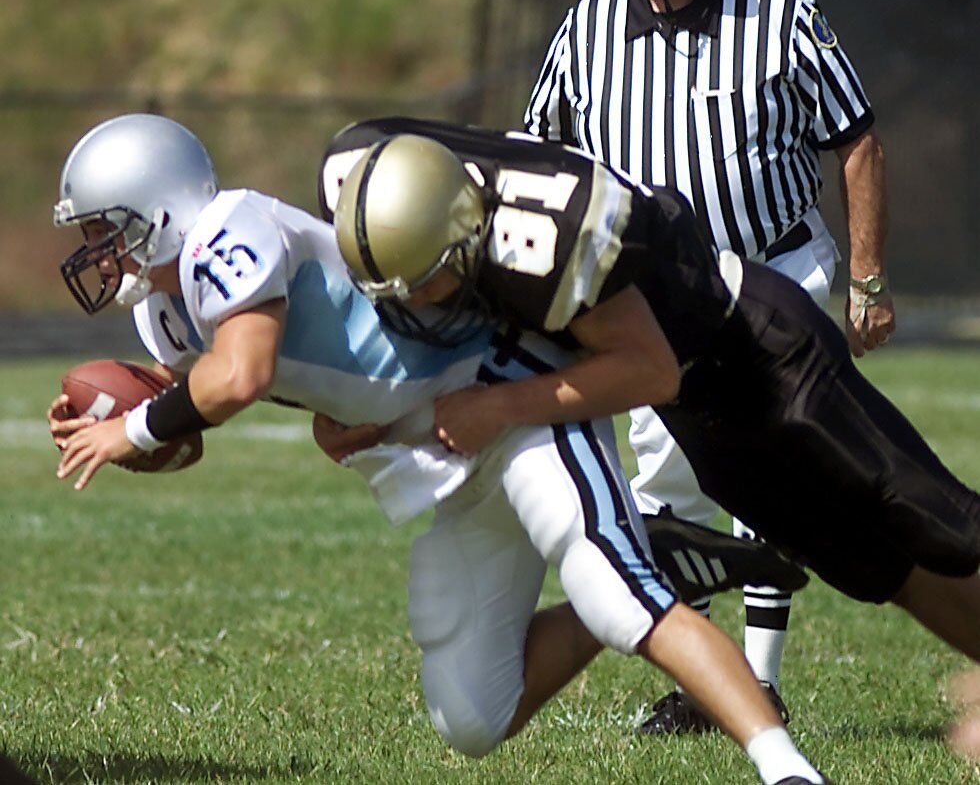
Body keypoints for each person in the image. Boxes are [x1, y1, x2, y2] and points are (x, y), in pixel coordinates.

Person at [49, 113, 831, 785]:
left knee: (610, 587)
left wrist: (137, 427)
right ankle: (661, 556)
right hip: (440, 452)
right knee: (473, 715)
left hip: (510, 397)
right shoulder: (166, 315)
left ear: (157, 207)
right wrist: (116, 418)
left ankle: (784, 765)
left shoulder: (229, 230)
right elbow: (196, 396)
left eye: (101, 229)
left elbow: (241, 373)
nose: (96, 250)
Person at [320, 116, 980, 711]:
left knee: (937, 519)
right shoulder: (366, 180)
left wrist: (496, 405)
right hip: (697, 410)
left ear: (469, 232)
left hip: (760, 353)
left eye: (426, 285)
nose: (412, 308)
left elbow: (648, 367)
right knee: (875, 566)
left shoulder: (552, 239)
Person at [523, 0, 897, 731]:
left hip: (775, 264)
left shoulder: (777, 11)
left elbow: (855, 138)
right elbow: (542, 157)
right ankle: (704, 675)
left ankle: (754, 682)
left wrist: (869, 278)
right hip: (659, 293)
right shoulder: (588, 25)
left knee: (772, 467)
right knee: (667, 485)